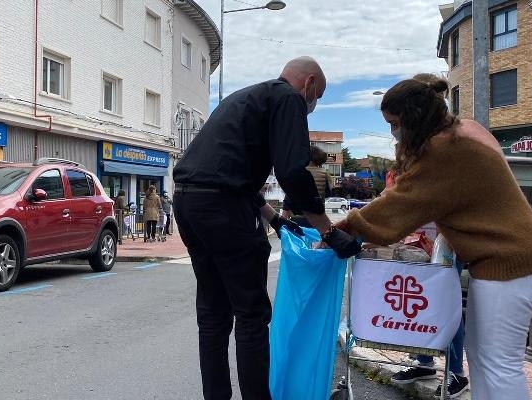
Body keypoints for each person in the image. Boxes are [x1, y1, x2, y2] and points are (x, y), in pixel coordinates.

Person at [335, 77, 532, 400]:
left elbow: (401, 203)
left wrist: (339, 230)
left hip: (511, 264)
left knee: (498, 364)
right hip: (512, 262)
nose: (393, 132)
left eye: (395, 124)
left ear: (412, 117)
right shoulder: (458, 135)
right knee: (482, 356)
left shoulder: (444, 150)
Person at [172, 56, 360, 400]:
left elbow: (229, 173)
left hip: (188, 202)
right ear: (309, 85)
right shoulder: (288, 98)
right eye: (317, 97)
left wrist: (275, 218)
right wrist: (329, 232)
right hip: (223, 209)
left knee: (213, 312)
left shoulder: (244, 98)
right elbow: (292, 173)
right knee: (251, 314)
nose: (313, 105)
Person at [388, 73, 469, 398]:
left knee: (446, 307)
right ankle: (423, 361)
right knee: (419, 305)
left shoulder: (450, 143)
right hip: (416, 240)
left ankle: (455, 372)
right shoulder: (416, 144)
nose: (394, 129)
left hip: (446, 241)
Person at [281, 145, 331, 223]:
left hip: (298, 219)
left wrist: (283, 219)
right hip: (318, 219)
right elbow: (328, 194)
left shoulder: (297, 171)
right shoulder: (324, 173)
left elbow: (289, 198)